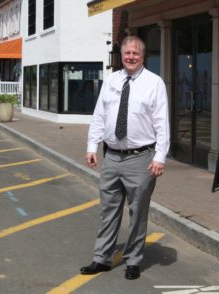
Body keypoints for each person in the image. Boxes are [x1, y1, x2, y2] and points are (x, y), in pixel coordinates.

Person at [80, 35, 169, 280]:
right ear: (121, 55)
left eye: (135, 54)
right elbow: (100, 115)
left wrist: (160, 156)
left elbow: (162, 123)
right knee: (108, 210)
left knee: (138, 211)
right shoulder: (111, 80)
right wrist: (92, 146)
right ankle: (101, 258)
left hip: (140, 158)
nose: (130, 57)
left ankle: (133, 260)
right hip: (111, 157)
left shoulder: (154, 83)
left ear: (143, 56)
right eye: (127, 53)